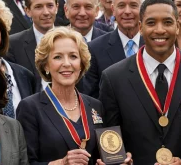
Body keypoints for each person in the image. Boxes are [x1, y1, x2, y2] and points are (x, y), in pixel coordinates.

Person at [99, 0, 181, 164]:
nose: (160, 30)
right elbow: (110, 137)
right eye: (151, 23)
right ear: (140, 27)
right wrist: (120, 160)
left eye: (167, 22)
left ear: (178, 26)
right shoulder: (113, 78)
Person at [16, 27, 132, 165]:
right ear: (46, 65)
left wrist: (119, 161)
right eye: (58, 57)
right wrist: (61, 163)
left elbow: (105, 155)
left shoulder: (95, 106)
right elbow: (25, 162)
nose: (66, 63)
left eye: (73, 56)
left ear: (81, 64)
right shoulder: (30, 107)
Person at [84, 0, 145, 98]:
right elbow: (91, 97)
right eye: (121, 6)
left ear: (142, 9)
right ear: (113, 10)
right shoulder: (95, 49)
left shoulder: (152, 45)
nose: (127, 11)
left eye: (133, 5)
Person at [7, 0, 58, 92]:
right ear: (28, 11)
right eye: (38, 7)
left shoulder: (72, 41)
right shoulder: (14, 45)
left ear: (57, 7)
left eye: (50, 5)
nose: (46, 12)